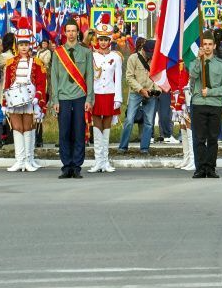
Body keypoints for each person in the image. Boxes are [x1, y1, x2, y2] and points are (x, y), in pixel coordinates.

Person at [49, 22, 94, 179]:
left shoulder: (86, 52)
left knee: (79, 132)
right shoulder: (58, 53)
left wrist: (89, 98)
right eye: (68, 31)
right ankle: (66, 165)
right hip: (63, 98)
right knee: (64, 133)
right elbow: (53, 76)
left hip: (80, 97)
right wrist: (55, 100)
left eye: (74, 31)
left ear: (78, 33)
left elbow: (90, 76)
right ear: (64, 33)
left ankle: (76, 166)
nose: (71, 34)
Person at [0, 21, 47, 172]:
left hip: (29, 100)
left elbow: (41, 82)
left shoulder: (37, 63)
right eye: (21, 44)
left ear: (30, 44)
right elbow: (6, 83)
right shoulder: (10, 62)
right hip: (14, 100)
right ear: (16, 45)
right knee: (17, 128)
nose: (24, 47)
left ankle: (28, 159)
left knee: (28, 128)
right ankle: (19, 160)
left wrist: (38, 99)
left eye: (26, 44)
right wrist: (4, 102)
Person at [189, 29, 222, 179]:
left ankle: (211, 168)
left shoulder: (220, 64)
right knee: (199, 138)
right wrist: (198, 59)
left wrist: (211, 92)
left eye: (209, 44)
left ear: (214, 46)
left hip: (214, 104)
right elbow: (193, 75)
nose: (207, 47)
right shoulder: (196, 61)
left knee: (213, 138)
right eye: (204, 44)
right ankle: (200, 168)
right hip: (199, 103)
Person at [89, 22, 123, 173]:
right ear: (97, 40)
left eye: (106, 39)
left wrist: (118, 98)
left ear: (110, 40)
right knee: (97, 128)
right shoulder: (92, 56)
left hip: (110, 94)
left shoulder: (116, 57)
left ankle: (106, 161)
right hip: (95, 95)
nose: (103, 42)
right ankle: (98, 161)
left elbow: (118, 79)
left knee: (107, 128)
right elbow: (88, 78)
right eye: (101, 39)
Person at [118, 38, 157, 155]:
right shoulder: (133, 58)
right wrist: (140, 89)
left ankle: (144, 148)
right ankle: (123, 147)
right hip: (136, 92)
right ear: (143, 50)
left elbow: (159, 76)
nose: (149, 56)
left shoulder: (155, 60)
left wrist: (156, 90)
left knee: (149, 122)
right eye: (148, 54)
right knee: (129, 119)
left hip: (151, 92)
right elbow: (129, 77)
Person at [167, 62, 193, 170]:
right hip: (181, 89)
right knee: (182, 125)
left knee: (189, 124)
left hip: (188, 90)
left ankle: (193, 158)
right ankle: (186, 157)